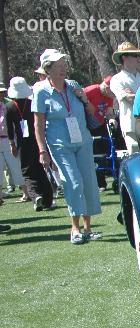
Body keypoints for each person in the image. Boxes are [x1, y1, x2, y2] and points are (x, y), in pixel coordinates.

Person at [32, 49, 101, 244]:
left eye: (64, 65)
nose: (63, 69)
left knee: (88, 182)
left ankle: (88, 228)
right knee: (73, 182)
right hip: (60, 144)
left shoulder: (74, 86)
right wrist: (42, 150)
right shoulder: (40, 91)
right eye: (58, 66)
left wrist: (85, 99)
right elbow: (38, 124)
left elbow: (92, 113)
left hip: (83, 141)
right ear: (48, 69)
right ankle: (75, 228)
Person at [8, 77, 52, 211]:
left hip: (23, 142)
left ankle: (35, 195)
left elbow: (10, 128)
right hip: (36, 139)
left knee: (27, 171)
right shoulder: (32, 103)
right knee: (40, 169)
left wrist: (12, 144)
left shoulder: (10, 107)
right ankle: (48, 199)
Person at [109, 41, 140, 154]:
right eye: (135, 55)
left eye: (138, 55)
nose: (138, 59)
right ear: (124, 57)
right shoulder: (117, 80)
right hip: (130, 126)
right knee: (136, 157)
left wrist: (135, 95)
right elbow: (128, 98)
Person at [0, 85, 29, 206]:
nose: (1, 94)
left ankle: (26, 193)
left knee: (16, 166)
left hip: (8, 139)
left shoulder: (9, 105)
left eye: (2, 92)